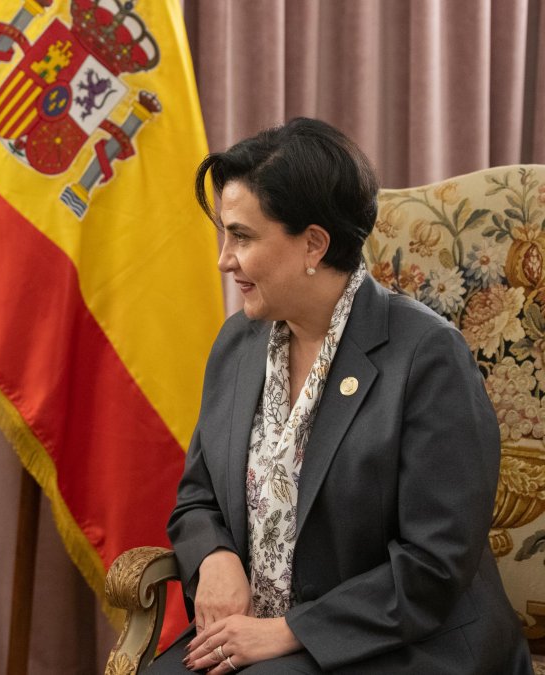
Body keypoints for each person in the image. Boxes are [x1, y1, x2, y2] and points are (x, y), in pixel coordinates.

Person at [145, 118, 532, 674]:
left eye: (243, 236)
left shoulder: (427, 356)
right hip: (256, 635)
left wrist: (290, 631)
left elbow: (434, 564)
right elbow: (198, 495)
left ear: (313, 244)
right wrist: (216, 558)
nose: (224, 259)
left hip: (399, 644)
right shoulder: (238, 342)